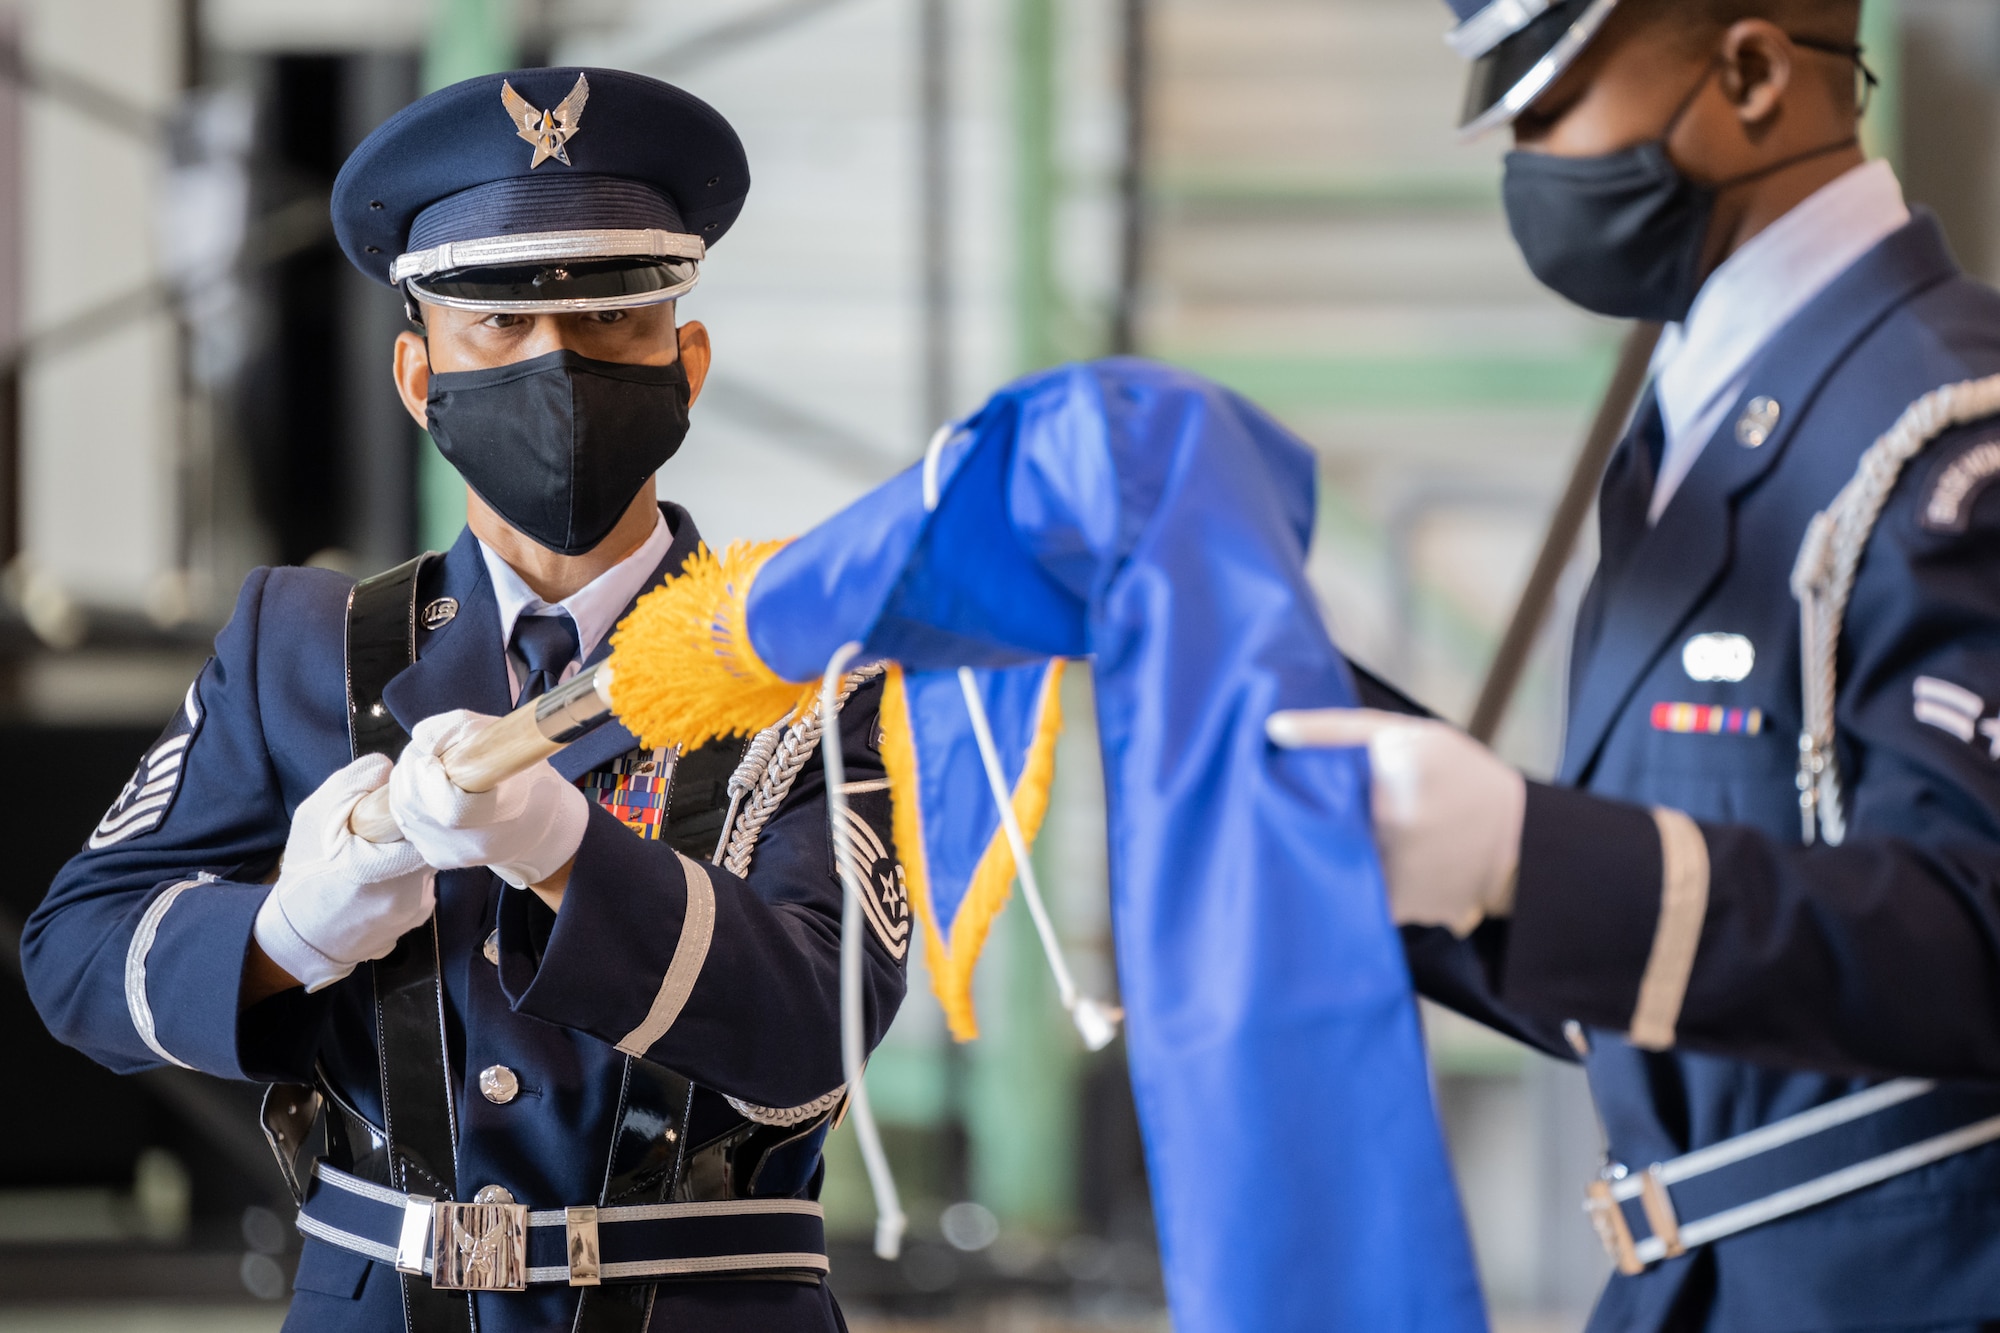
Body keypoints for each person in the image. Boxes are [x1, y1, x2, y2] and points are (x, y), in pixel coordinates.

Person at [22, 67, 909, 1333]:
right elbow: (75, 959)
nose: (554, 365)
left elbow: (812, 1028)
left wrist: (564, 853)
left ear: (688, 359)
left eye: (609, 321)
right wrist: (294, 930)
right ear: (416, 375)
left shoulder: (804, 667)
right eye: (495, 325)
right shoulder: (300, 645)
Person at [1269, 1, 2000, 1328]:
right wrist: (1252, 694)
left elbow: (1972, 933)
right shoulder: (1703, 418)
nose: (1528, 164)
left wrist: (1525, 855)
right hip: (1700, 1287)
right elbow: (1659, 960)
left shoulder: (1950, 433)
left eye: (1550, 109)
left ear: (1756, 72)